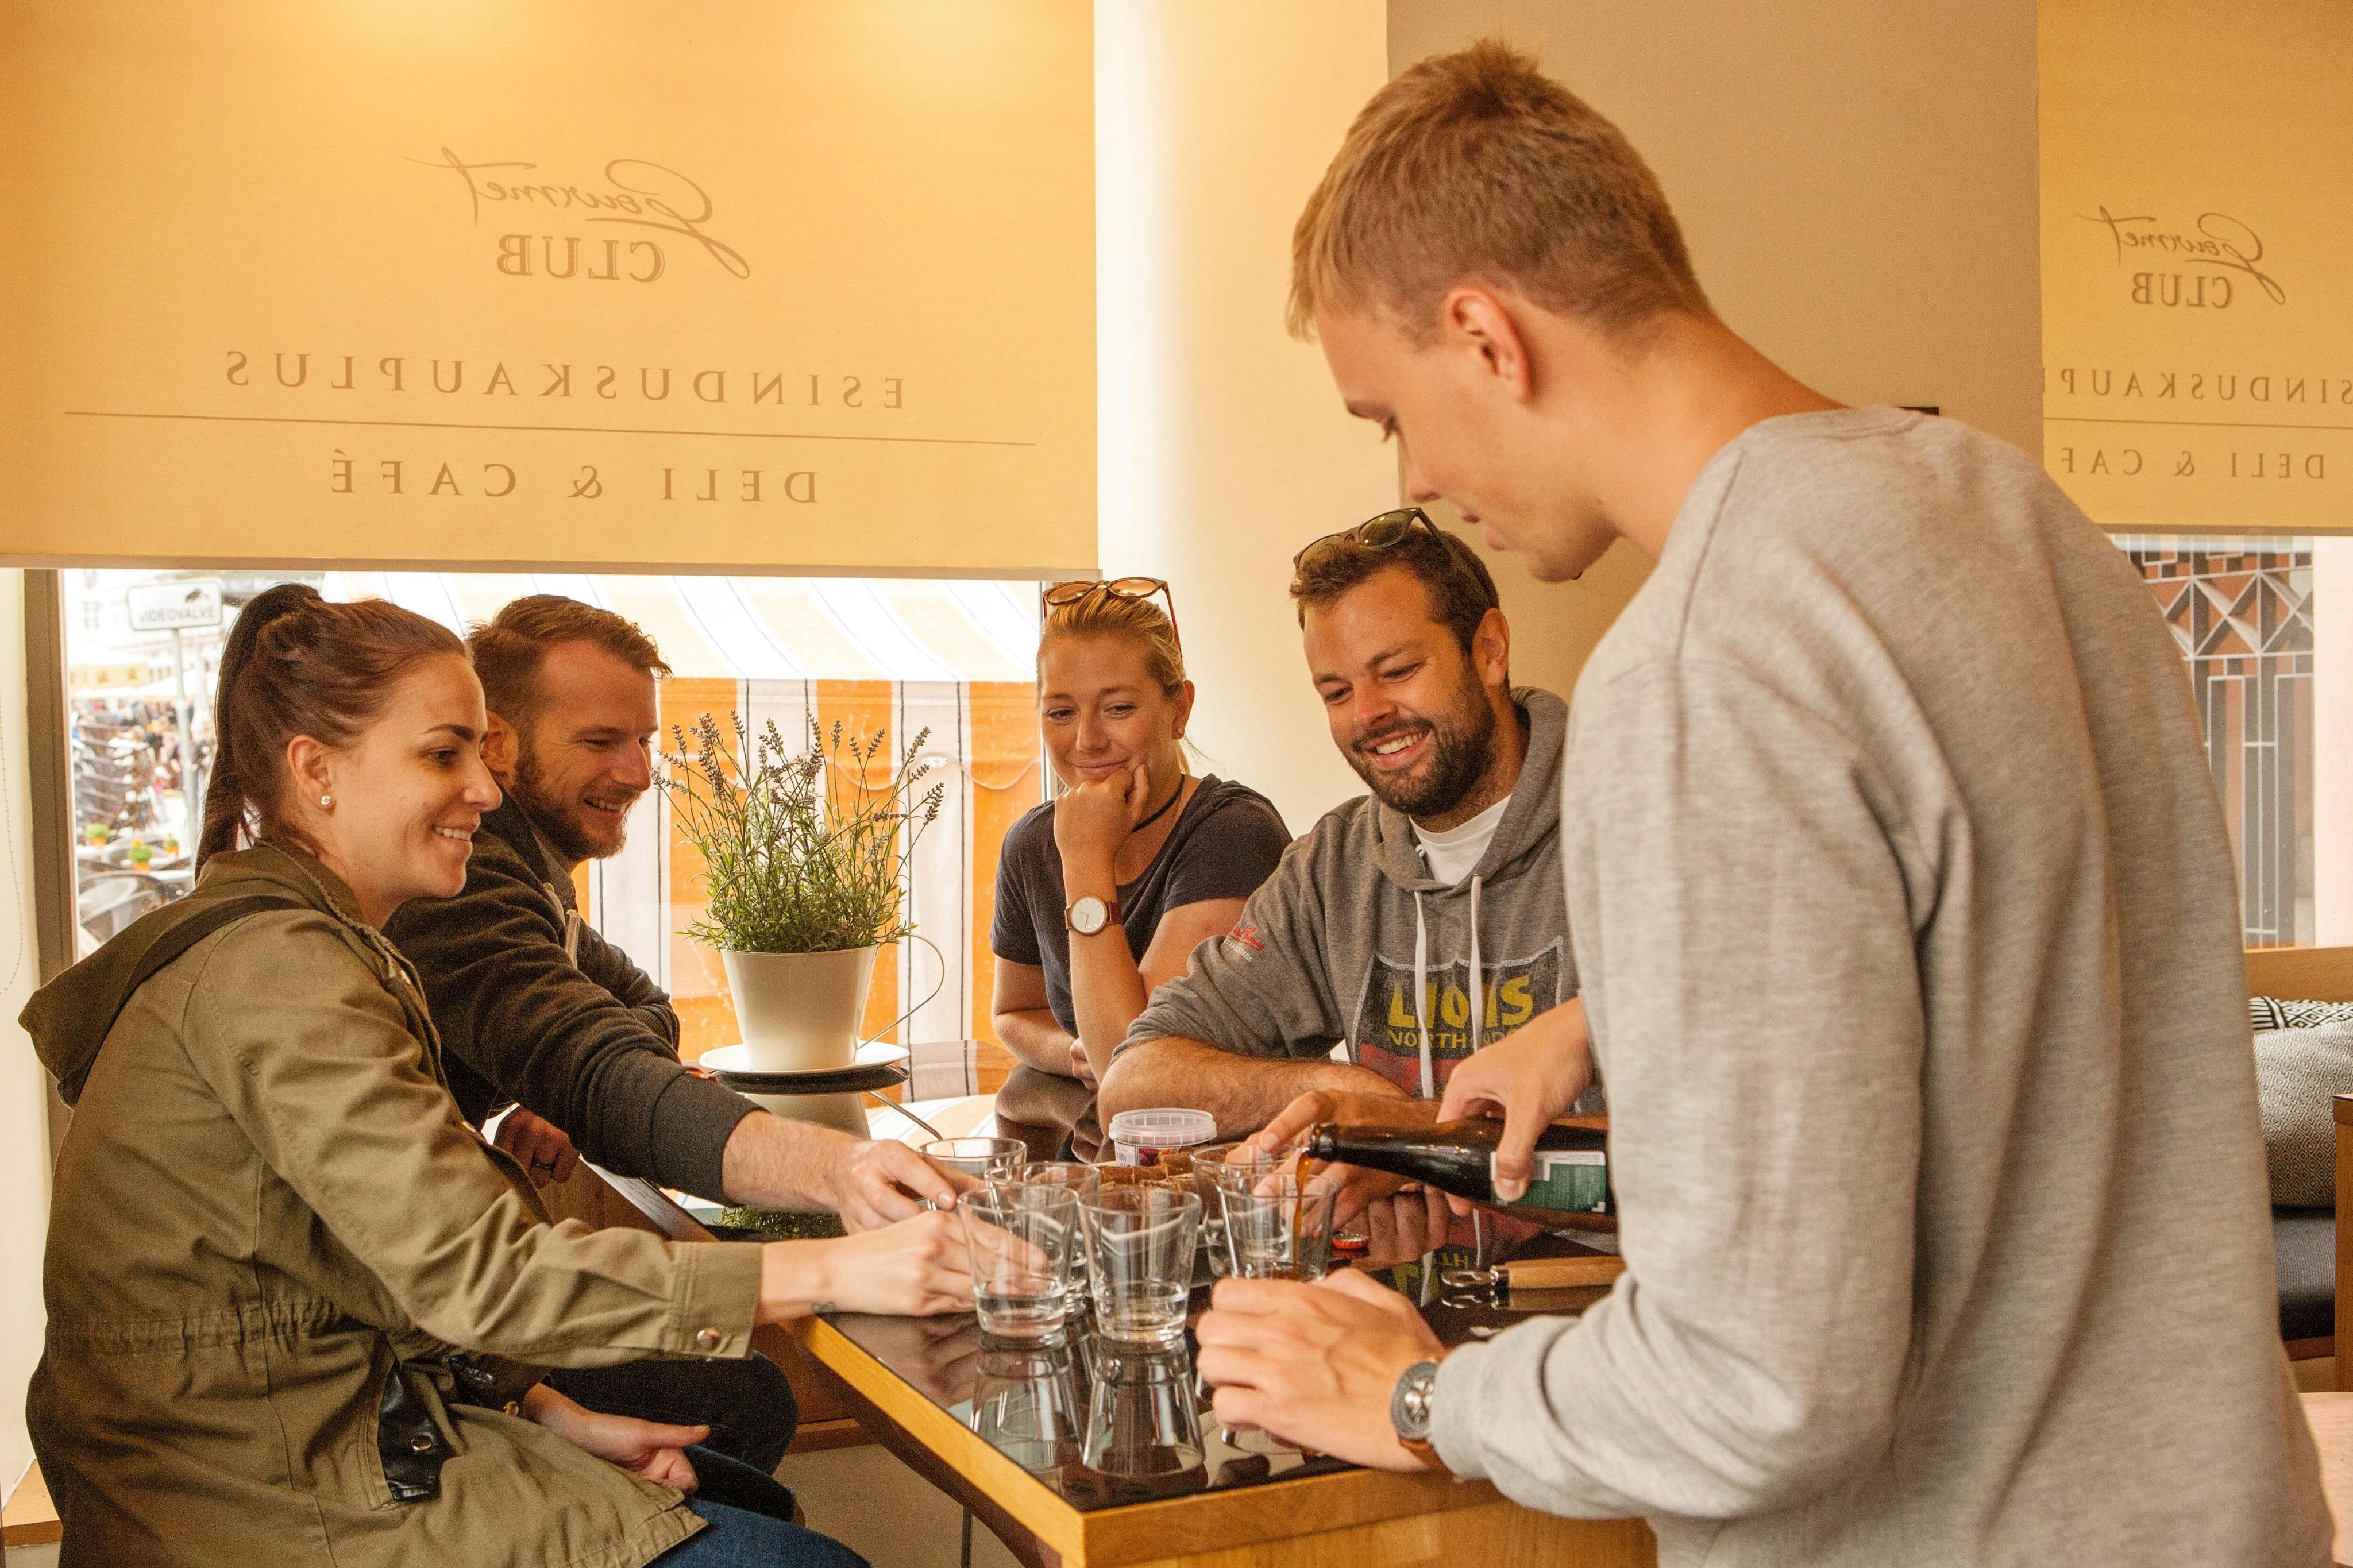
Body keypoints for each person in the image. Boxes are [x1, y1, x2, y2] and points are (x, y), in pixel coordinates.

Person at [1192, 40, 2331, 1567]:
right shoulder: (2013, 510)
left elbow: (1757, 1385)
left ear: (1484, 336)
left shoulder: (1702, 661)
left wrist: (1413, 1393)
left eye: (1386, 415)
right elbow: (2009, 969)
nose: (1416, 477)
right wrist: (1602, 1021)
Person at [24, 585, 973, 1567]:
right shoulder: (283, 972)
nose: (486, 785)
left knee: (749, 1486)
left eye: (480, 750)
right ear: (316, 771)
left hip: (323, 1436)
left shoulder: (322, 940)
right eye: (445, 754)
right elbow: (482, 1264)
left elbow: (373, 1266)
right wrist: (836, 1265)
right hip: (254, 1499)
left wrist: (542, 1408)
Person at [386, 596, 962, 1470]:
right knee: (743, 1404)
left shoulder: (522, 880)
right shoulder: (462, 883)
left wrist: (553, 1081)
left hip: (438, 1343)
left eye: (644, 740)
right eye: (600, 741)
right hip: (411, 1377)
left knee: (742, 1398)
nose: (638, 771)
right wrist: (842, 1171)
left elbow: (639, 1011)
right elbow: (601, 1072)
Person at [1096, 523, 1590, 1275]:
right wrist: (1340, 1091)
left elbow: (1709, 1152)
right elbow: (1131, 1086)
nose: (1367, 713)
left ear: (1489, 649)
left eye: (1397, 670)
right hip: (1402, 1312)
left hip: (1616, 1306)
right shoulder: (1336, 864)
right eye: (1336, 691)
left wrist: (1414, 1139)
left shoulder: (1638, 823)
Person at [989, 578, 1290, 1158]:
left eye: (1119, 708)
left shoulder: (1234, 833)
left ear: (1179, 709)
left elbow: (1133, 1070)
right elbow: (1014, 1012)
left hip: (1221, 1174)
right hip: (1091, 1169)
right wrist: (1070, 1051)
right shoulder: (1030, 843)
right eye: (1060, 712)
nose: (1087, 740)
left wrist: (1084, 860)